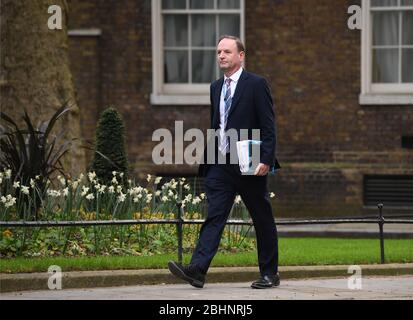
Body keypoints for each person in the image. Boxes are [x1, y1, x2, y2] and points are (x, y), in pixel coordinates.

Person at [168, 35, 281, 289]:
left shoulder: (256, 84)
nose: (221, 56)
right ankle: (197, 270)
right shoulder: (215, 87)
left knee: (261, 218)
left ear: (241, 56)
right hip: (220, 163)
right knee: (215, 216)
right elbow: (217, 125)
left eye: (227, 52)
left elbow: (268, 124)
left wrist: (266, 158)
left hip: (249, 163)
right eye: (219, 51)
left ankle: (270, 273)